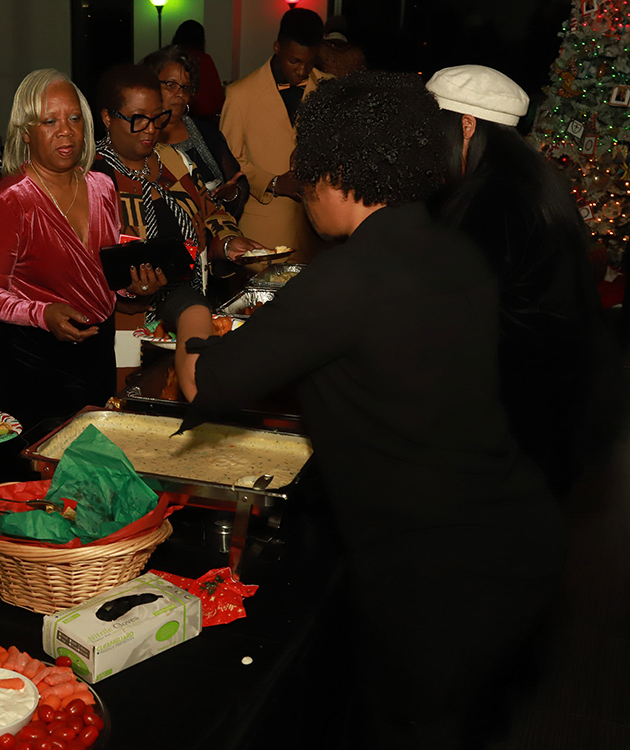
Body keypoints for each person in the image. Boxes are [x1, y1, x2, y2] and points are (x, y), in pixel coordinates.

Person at [166, 72, 563, 749]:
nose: (302, 190)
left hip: (440, 569)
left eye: (305, 175)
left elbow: (205, 383)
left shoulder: (348, 277)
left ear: (337, 172)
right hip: (510, 535)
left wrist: (189, 310)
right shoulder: (452, 245)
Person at [427, 64, 618, 498]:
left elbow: (464, 315)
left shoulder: (492, 197)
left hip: (523, 410)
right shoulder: (532, 176)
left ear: (467, 126)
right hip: (561, 401)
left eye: (435, 129)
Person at [0, 70, 160, 430]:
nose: (66, 131)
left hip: (97, 355)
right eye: (49, 121)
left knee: (97, 454)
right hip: (33, 363)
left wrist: (134, 287)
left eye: (74, 118)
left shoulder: (102, 186)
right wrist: (43, 314)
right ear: (26, 132)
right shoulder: (9, 201)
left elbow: (101, 276)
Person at [90, 65, 261, 308]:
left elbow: (211, 213)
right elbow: (81, 263)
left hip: (189, 307)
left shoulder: (175, 161)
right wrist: (128, 288)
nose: (151, 129)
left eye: (157, 117)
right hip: (125, 321)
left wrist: (226, 243)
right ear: (108, 117)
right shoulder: (93, 177)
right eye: (139, 119)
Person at [220, 7, 330, 260]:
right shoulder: (240, 95)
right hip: (263, 232)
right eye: (294, 61)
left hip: (317, 234)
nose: (302, 71)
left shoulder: (330, 88)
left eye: (309, 62)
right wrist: (273, 183)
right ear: (277, 47)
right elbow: (229, 163)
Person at [141, 45, 249, 221]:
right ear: (150, 84)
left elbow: (238, 183)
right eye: (171, 85)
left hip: (212, 232)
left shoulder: (207, 133)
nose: (180, 94)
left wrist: (231, 194)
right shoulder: (138, 135)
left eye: (185, 87)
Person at [170, 20, 224, 119]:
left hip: (179, 113)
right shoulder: (204, 59)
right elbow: (216, 95)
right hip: (203, 116)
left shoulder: (173, 59)